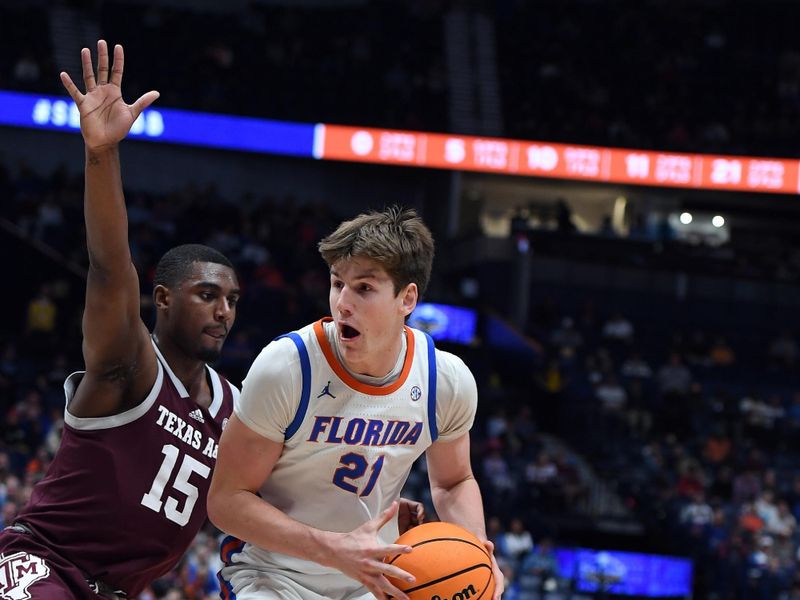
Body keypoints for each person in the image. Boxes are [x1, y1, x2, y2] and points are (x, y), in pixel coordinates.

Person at [0, 41, 242, 599]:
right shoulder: (128, 364)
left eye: (231, 298)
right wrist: (101, 154)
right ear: (161, 298)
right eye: (206, 294)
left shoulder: (237, 407)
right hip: (42, 566)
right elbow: (110, 267)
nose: (223, 309)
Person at [208, 207, 504, 600]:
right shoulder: (288, 367)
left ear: (407, 298)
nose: (343, 303)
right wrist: (333, 550)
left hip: (373, 579)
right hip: (275, 576)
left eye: (364, 288)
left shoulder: (444, 380)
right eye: (337, 284)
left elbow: (453, 483)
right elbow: (226, 501)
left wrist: (478, 551)